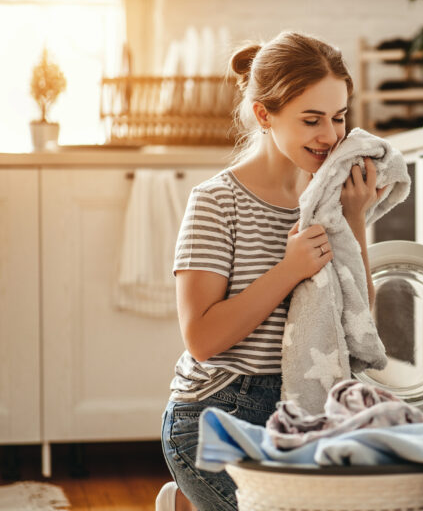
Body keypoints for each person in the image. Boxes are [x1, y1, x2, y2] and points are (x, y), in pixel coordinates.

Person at [156, 31, 385, 511]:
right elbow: (201, 337)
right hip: (218, 414)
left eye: (339, 117)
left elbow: (358, 321)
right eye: (311, 120)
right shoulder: (217, 202)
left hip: (299, 408)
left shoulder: (325, 200)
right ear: (265, 114)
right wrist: (289, 269)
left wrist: (356, 218)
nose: (331, 136)